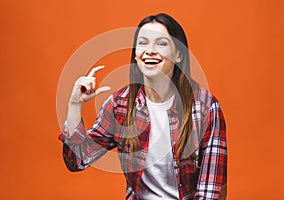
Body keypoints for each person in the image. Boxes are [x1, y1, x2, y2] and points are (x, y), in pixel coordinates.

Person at [58, 13, 227, 200]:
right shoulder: (120, 105)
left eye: (161, 44)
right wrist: (74, 104)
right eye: (143, 43)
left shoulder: (205, 107)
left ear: (178, 54)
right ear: (136, 55)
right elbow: (76, 160)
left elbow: (210, 192)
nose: (150, 51)